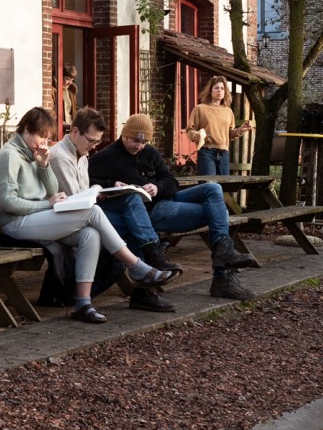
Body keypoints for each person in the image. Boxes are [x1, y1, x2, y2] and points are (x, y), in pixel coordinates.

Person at [0, 105, 172, 324]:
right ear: (26, 129)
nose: (44, 142)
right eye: (41, 136)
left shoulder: (32, 155)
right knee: (92, 212)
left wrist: (44, 165)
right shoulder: (9, 156)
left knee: (89, 235)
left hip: (35, 219)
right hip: (15, 223)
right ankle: (137, 267)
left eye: (47, 138)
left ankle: (83, 303)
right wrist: (47, 205)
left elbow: (51, 190)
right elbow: (9, 203)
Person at [88, 113, 254, 300]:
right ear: (124, 135)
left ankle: (224, 253)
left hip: (166, 198)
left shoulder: (149, 152)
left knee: (214, 189)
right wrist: (112, 183)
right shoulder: (105, 156)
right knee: (220, 213)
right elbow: (87, 181)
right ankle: (222, 276)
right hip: (148, 212)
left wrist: (157, 187)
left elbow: (171, 181)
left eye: (143, 142)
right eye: (135, 141)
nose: (139, 146)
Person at [48, 105, 182, 313]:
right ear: (74, 132)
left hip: (85, 212)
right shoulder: (61, 157)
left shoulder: (81, 154)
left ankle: (147, 265)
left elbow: (84, 192)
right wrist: (100, 189)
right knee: (132, 223)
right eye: (91, 141)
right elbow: (75, 202)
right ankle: (145, 274)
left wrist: (104, 189)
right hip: (68, 218)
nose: (93, 147)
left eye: (97, 142)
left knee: (131, 204)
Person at [186, 75, 253, 177]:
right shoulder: (200, 109)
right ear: (210, 90)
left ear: (225, 92)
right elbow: (190, 130)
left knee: (224, 187)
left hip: (224, 153)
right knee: (209, 185)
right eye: (216, 88)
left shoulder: (228, 111)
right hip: (206, 152)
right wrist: (196, 134)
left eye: (222, 88)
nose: (219, 90)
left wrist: (241, 130)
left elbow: (229, 134)